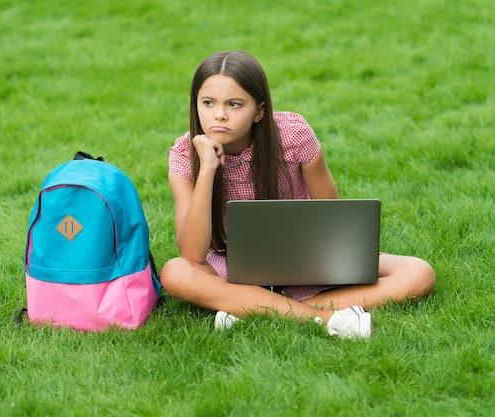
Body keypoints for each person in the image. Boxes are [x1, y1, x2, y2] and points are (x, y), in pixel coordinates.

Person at [159, 50, 436, 338]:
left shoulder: (293, 134)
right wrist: (207, 169)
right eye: (208, 102)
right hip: (231, 265)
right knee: (175, 273)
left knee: (419, 273)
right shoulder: (183, 154)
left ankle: (250, 309)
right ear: (196, 104)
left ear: (259, 110)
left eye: (234, 104)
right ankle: (326, 318)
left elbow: (332, 214)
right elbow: (192, 253)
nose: (219, 114)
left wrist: (320, 259)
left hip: (310, 258)